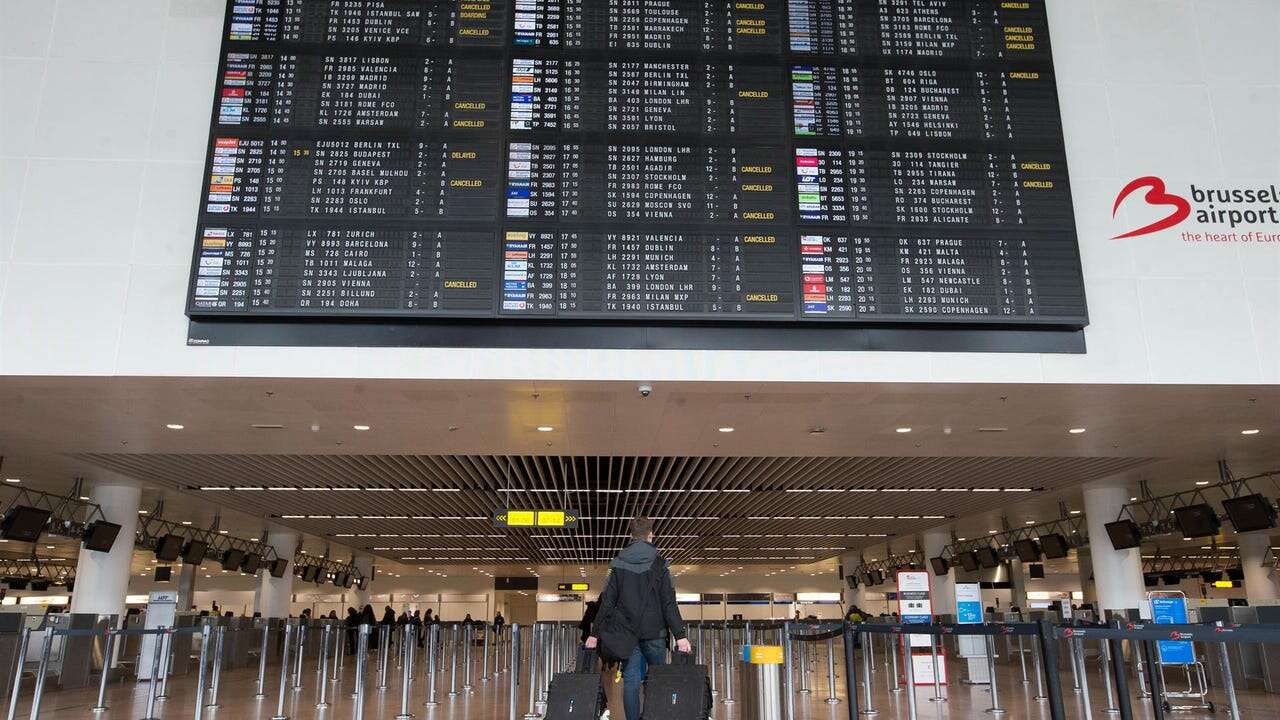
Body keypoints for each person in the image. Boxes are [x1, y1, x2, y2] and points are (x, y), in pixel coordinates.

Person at [586, 517, 688, 720]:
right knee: (656, 679)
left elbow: (607, 602)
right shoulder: (660, 564)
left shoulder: (618, 563)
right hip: (655, 634)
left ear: (631, 536)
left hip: (627, 634)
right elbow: (669, 603)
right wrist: (680, 635)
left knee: (631, 680)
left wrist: (594, 634)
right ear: (651, 534)